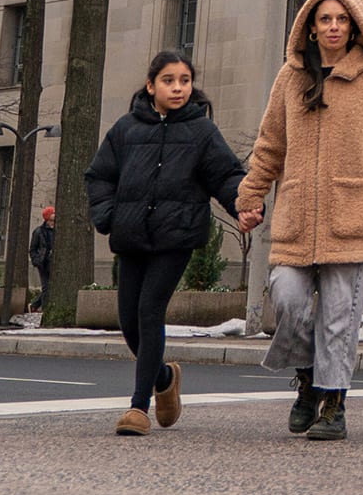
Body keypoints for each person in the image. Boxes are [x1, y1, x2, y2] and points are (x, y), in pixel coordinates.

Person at [237, 0, 363, 443]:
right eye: (325, 19)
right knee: (287, 298)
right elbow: (270, 144)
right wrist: (251, 195)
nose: (334, 27)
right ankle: (306, 378)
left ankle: (333, 402)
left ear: (355, 26)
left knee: (340, 315)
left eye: (342, 19)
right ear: (311, 27)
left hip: (351, 215)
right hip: (297, 217)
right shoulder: (290, 77)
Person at [83, 48, 247, 436]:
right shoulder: (126, 129)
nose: (178, 88)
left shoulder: (201, 131)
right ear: (150, 85)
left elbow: (226, 175)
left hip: (176, 235)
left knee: (149, 310)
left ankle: (138, 407)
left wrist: (244, 205)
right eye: (169, 81)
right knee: (129, 322)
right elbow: (100, 176)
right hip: (131, 235)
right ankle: (163, 378)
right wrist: (108, 215)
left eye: (185, 81)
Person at [28, 205, 56, 312]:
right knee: (46, 287)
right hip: (43, 263)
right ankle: (44, 309)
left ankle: (34, 305)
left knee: (51, 287)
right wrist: (36, 260)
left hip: (54, 263)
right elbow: (33, 248)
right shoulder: (39, 232)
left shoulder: (57, 231)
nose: (53, 222)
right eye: (51, 220)